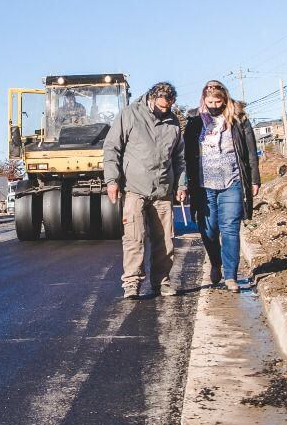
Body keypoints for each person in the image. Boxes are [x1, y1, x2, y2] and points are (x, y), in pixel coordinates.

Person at [103, 81, 187, 299]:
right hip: (134, 189)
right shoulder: (129, 115)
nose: (163, 111)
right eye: (160, 107)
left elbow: (180, 158)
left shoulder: (173, 122)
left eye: (167, 107)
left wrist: (181, 184)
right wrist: (112, 180)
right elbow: (112, 148)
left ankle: (162, 282)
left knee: (165, 241)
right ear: (150, 99)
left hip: (162, 191)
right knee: (134, 239)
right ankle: (131, 284)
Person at [184, 80, 260, 292]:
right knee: (208, 229)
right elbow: (185, 154)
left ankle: (230, 276)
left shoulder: (238, 119)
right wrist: (183, 183)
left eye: (218, 101)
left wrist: (254, 179)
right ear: (204, 99)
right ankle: (215, 262)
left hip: (232, 181)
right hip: (203, 184)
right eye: (210, 101)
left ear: (225, 99)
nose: (214, 105)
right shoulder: (194, 120)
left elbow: (250, 151)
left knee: (230, 228)